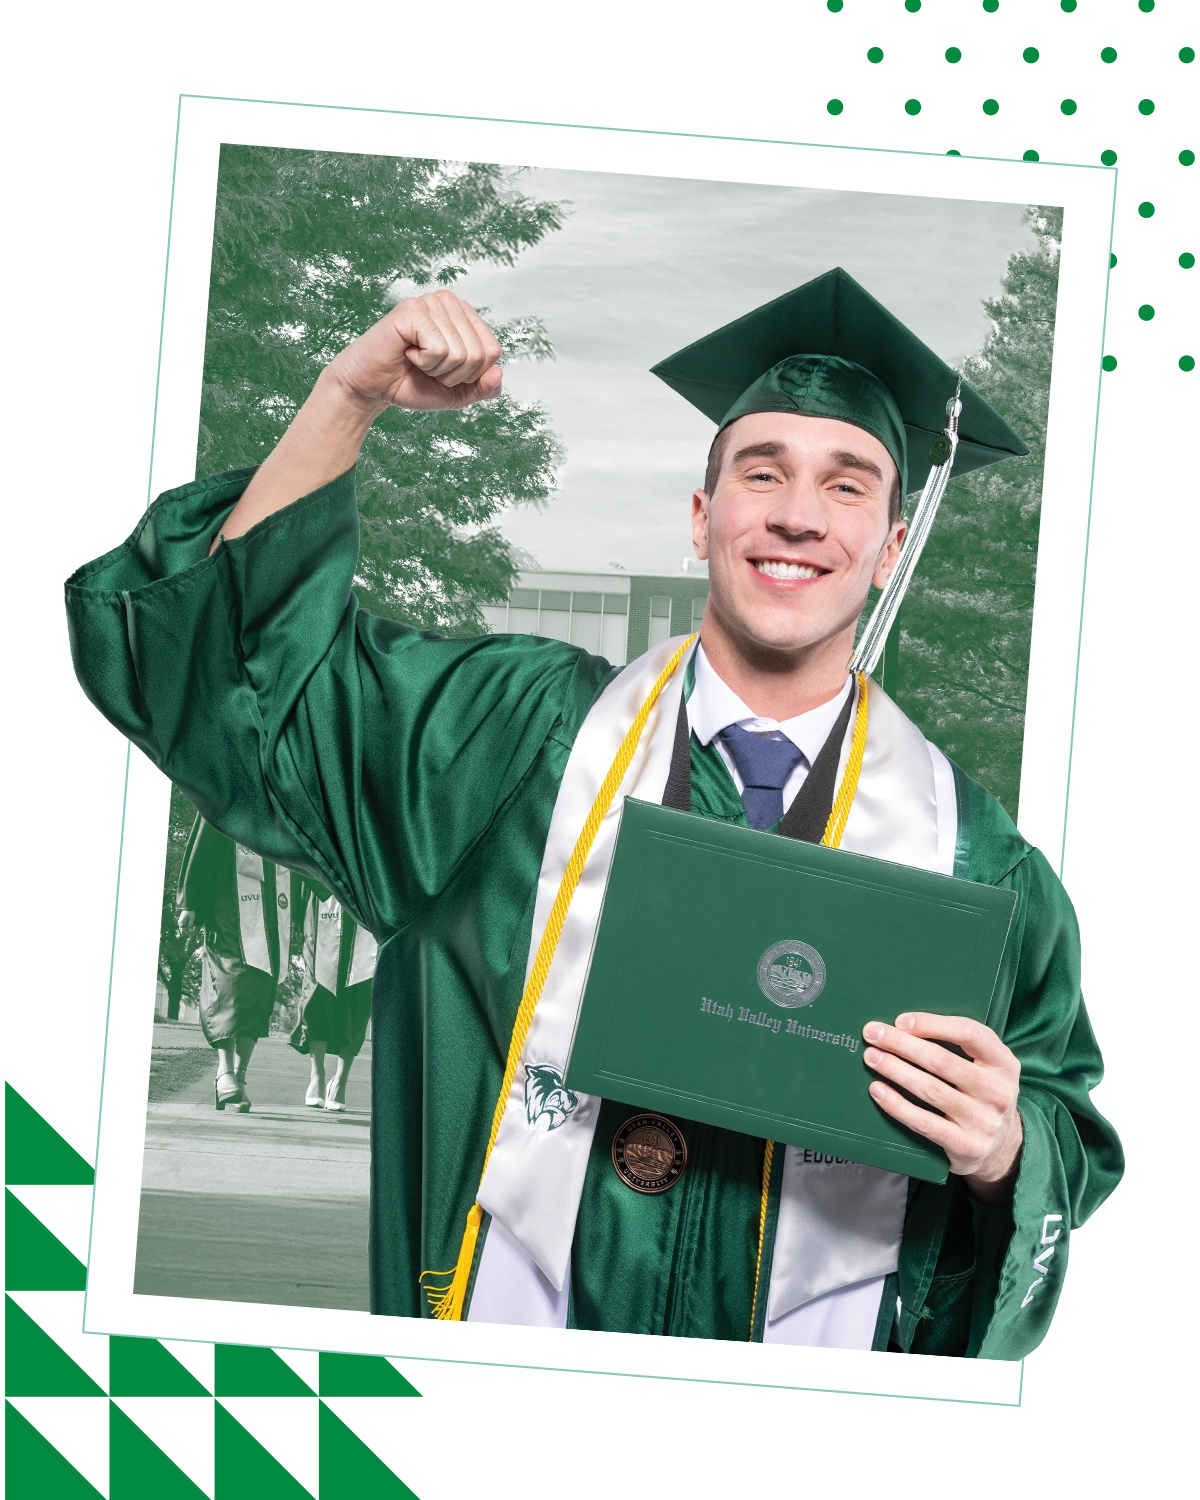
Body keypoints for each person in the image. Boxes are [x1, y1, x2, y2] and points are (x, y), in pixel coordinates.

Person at [66, 268, 1124, 1357]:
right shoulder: (508, 744)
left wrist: (1006, 1150)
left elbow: (1066, 1133)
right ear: (703, 519)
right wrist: (348, 394)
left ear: (892, 545)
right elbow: (240, 677)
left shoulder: (978, 866)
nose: (799, 516)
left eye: (848, 487)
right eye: (762, 473)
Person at [176, 812, 293, 1111]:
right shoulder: (226, 787)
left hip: (273, 905)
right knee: (230, 982)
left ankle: (239, 1077)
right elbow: (203, 838)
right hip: (227, 898)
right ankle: (224, 1070)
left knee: (261, 986)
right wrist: (190, 901)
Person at [289, 880, 377, 1112]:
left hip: (365, 905)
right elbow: (301, 866)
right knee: (317, 994)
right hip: (322, 901)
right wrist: (296, 914)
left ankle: (340, 1080)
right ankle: (317, 1076)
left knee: (358, 996)